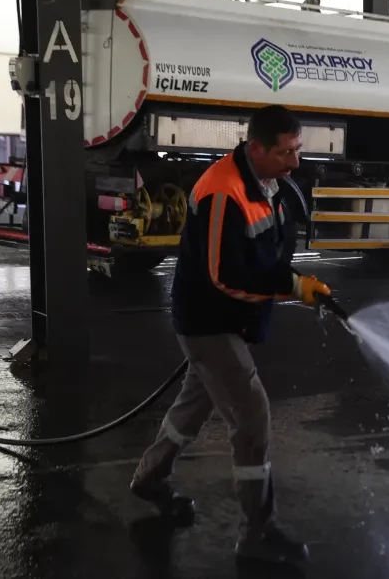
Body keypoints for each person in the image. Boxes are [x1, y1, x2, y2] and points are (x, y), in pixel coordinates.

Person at [129, 105, 330, 565]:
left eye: (297, 150)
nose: (295, 161)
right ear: (256, 148)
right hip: (209, 322)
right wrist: (292, 287)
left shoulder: (267, 182)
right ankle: (257, 531)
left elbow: (266, 252)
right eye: (286, 152)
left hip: (226, 320)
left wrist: (295, 280)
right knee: (252, 416)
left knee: (193, 405)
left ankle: (150, 478)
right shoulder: (224, 191)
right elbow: (225, 275)